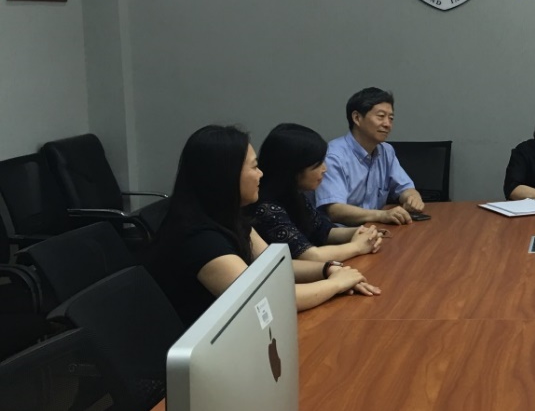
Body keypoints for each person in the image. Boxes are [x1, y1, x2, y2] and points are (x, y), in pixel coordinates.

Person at [149, 125, 379, 325]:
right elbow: (267, 299)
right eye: (254, 167)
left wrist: (328, 269)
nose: (260, 174)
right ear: (226, 175)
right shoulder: (201, 239)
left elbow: (275, 266)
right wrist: (336, 284)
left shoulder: (230, 216)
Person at [248, 123, 385, 262]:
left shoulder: (293, 194)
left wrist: (362, 232)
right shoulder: (266, 209)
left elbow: (323, 231)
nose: (325, 169)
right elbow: (310, 256)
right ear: (293, 169)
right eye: (317, 165)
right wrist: (357, 246)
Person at [316, 87, 425, 226]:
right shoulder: (333, 156)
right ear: (357, 118)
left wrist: (413, 198)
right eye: (381, 116)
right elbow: (335, 210)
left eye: (391, 118)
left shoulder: (386, 151)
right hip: (342, 235)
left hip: (375, 230)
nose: (387, 124)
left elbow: (404, 188)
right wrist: (382, 215)